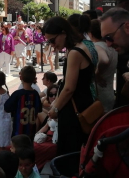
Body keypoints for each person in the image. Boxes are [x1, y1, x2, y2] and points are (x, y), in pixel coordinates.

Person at [42, 17, 98, 160]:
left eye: (53, 40)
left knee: (70, 153)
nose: (52, 45)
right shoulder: (80, 47)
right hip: (81, 104)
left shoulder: (74, 52)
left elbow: (69, 88)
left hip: (75, 109)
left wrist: (55, 109)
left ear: (63, 33)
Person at [4, 66, 42, 140]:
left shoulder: (17, 94)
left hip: (18, 131)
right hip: (31, 132)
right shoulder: (36, 94)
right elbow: (39, 110)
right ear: (34, 79)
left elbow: (6, 108)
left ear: (21, 77)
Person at [89, 19, 118, 113]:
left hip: (99, 93)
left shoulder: (96, 46)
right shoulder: (112, 47)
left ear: (90, 33)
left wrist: (97, 75)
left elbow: (104, 60)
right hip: (109, 91)